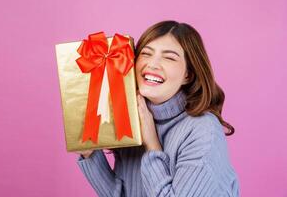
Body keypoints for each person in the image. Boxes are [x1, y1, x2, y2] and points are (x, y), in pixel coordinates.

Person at [75, 20, 240, 197]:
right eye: (146, 53)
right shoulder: (134, 117)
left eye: (169, 57)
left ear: (188, 75)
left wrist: (152, 146)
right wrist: (90, 155)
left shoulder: (202, 130)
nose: (152, 64)